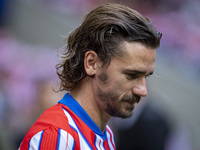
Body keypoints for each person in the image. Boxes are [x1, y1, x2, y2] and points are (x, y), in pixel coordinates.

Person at [19, 3, 162, 150]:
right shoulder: (57, 137)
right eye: (131, 75)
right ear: (92, 63)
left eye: (146, 76)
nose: (143, 91)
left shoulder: (105, 136)